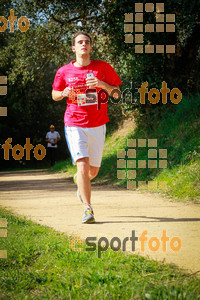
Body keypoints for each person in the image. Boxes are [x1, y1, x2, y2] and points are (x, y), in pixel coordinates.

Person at [52, 31, 122, 224]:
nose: (84, 44)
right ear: (73, 47)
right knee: (82, 165)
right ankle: (88, 209)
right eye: (80, 42)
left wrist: (101, 84)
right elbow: (54, 94)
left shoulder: (103, 68)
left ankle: (80, 181)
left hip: (98, 124)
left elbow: (116, 93)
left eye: (87, 42)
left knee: (92, 172)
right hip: (74, 123)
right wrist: (63, 93)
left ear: (91, 47)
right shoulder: (64, 71)